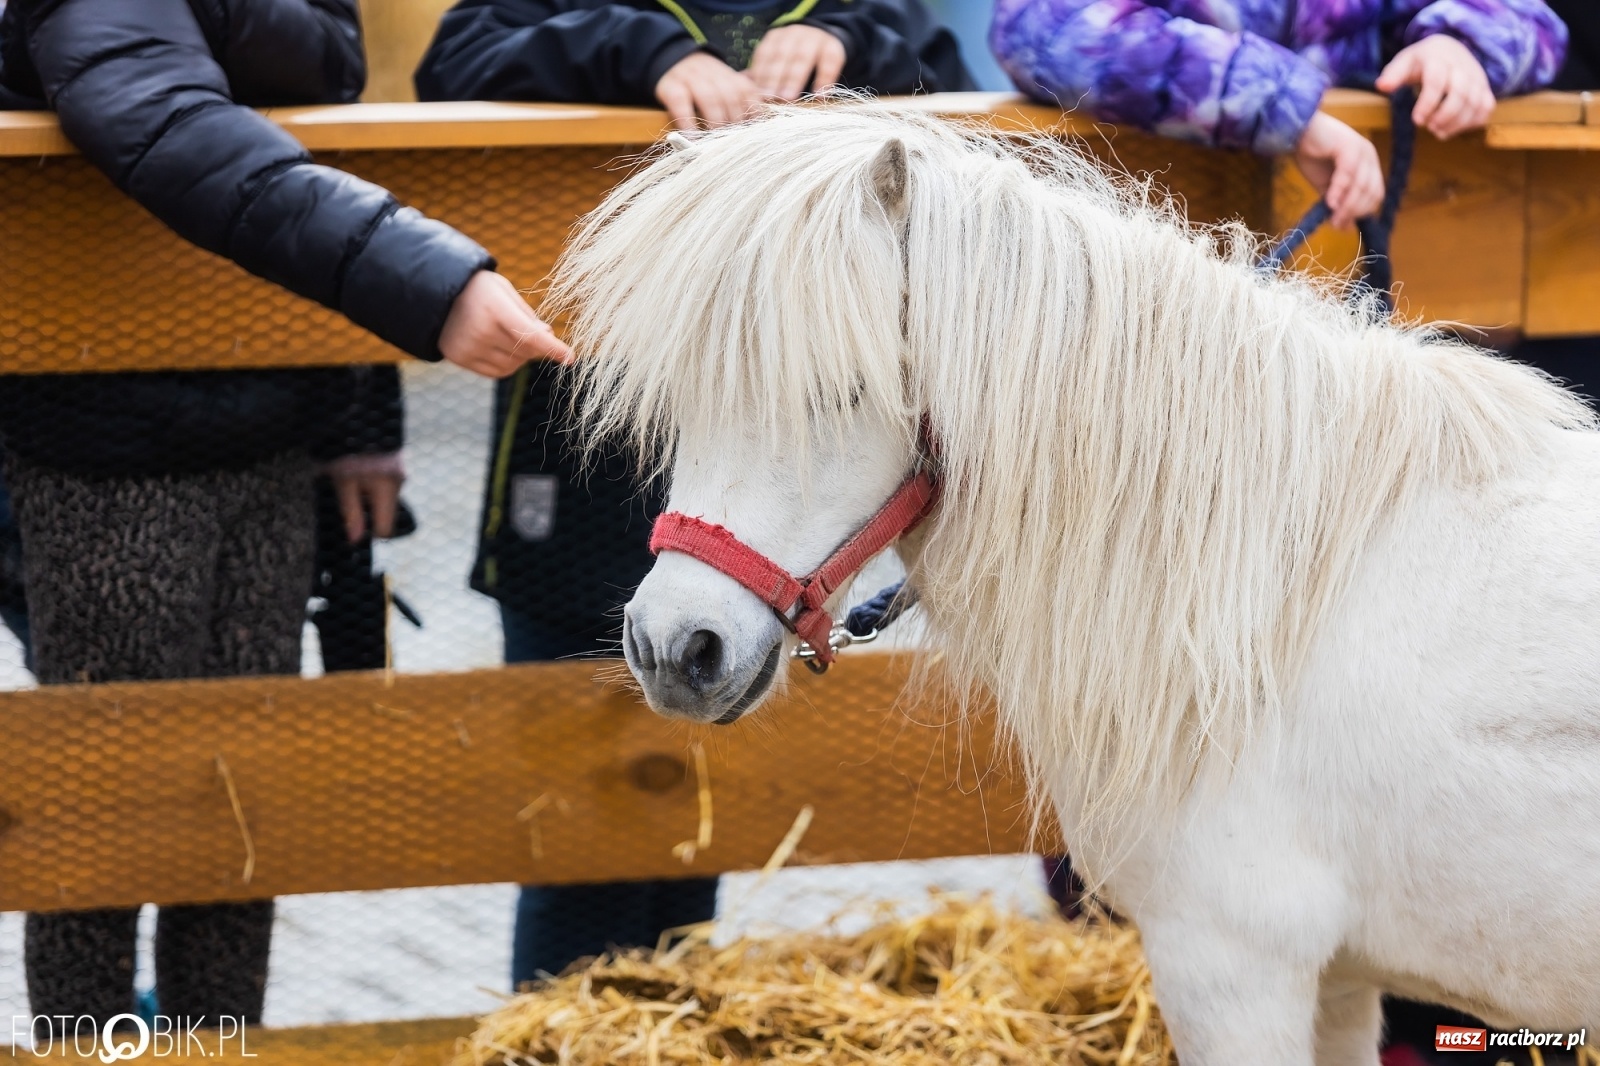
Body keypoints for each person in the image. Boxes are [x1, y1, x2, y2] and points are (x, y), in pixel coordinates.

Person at [0, 0, 570, 1028]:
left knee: (239, 806)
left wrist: (359, 409)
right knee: (109, 809)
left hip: (275, 430)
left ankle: (218, 1048)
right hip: (107, 446)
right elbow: (179, 132)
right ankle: (93, 1051)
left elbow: (313, 145)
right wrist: (433, 288)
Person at [414, 0, 975, 986]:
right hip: (590, 467)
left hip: (765, 473)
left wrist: (847, 46)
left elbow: (935, 70)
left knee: (703, 819)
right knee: (583, 826)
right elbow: (455, 59)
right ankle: (569, 1036)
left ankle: (673, 1023)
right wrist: (645, 53)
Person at [989, 0, 1567, 230]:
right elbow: (1048, 33)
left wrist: (1458, 43)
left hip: (1346, 287)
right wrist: (1290, 111)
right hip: (1163, 281)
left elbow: (1533, 21)